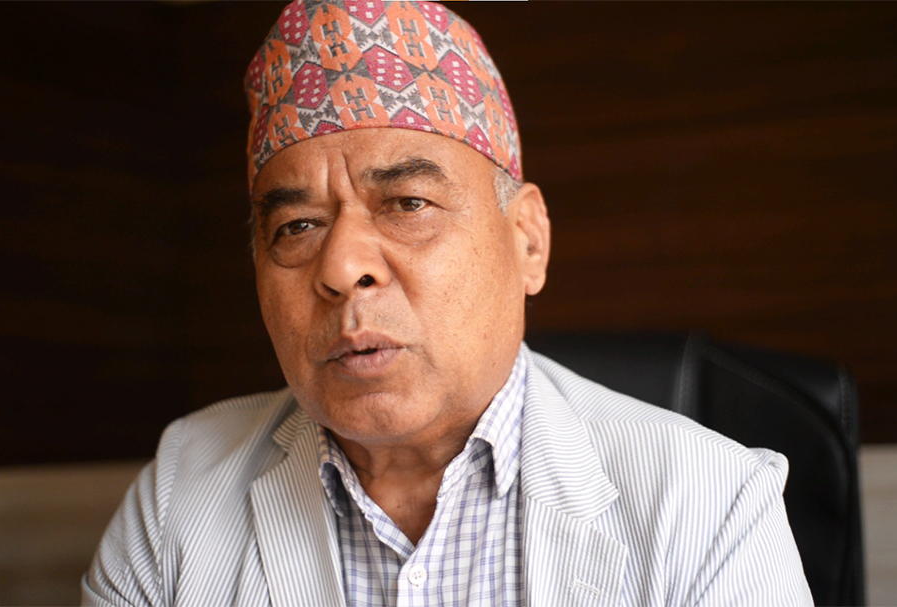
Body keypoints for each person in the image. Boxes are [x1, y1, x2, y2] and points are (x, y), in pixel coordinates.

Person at [83, 1, 813, 605]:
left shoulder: (708, 503)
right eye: (297, 226)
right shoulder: (181, 495)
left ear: (527, 240)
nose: (342, 267)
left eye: (408, 203)